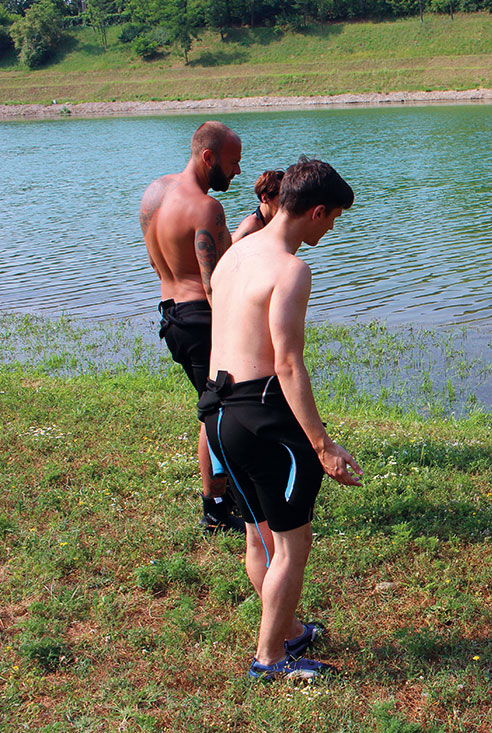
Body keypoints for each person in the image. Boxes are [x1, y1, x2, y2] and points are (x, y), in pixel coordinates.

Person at [198, 156, 362, 681]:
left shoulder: (235, 254)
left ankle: (288, 630)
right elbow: (288, 362)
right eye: (333, 217)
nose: (333, 226)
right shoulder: (291, 270)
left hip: (218, 411)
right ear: (315, 211)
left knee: (256, 536)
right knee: (292, 544)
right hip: (264, 416)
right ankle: (271, 658)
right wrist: (321, 444)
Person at [140, 120, 245, 534]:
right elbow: (214, 283)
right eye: (232, 162)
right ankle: (215, 507)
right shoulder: (206, 208)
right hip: (202, 319)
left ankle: (225, 494)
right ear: (208, 157)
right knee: (217, 410)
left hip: (171, 314)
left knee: (214, 405)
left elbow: (157, 262)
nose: (236, 171)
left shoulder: (155, 193)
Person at [233, 169, 284, 242]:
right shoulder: (251, 226)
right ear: (265, 198)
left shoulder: (276, 222)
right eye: (282, 196)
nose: (287, 202)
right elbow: (228, 251)